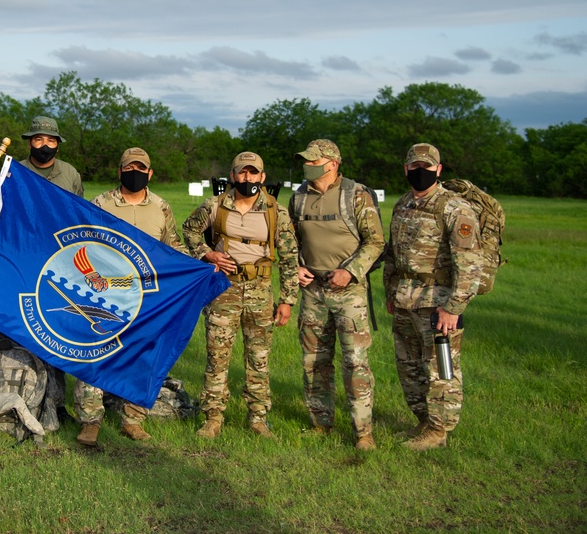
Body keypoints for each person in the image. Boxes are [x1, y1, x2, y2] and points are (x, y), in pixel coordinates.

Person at [74, 147, 187, 446]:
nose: (134, 173)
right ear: (120, 171)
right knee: (95, 354)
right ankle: (90, 421)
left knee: (143, 356)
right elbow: (83, 240)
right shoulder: (100, 203)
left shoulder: (161, 207)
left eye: (140, 168)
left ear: (150, 173)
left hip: (147, 296)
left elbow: (173, 248)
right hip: (105, 291)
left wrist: (197, 271)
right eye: (128, 168)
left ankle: (133, 419)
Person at [182, 152, 298, 439]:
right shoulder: (215, 205)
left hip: (260, 291)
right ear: (232, 176)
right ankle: (212, 417)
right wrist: (207, 253)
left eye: (253, 173)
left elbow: (290, 256)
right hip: (224, 289)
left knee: (258, 357)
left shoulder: (275, 210)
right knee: (217, 356)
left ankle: (258, 418)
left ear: (262, 176)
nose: (248, 178)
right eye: (242, 173)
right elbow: (189, 230)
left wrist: (287, 300)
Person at [384, 143, 482, 451]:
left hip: (437, 302)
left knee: (440, 369)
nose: (420, 173)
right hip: (404, 299)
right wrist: (390, 292)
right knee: (409, 365)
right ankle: (423, 422)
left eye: (427, 169)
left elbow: (469, 264)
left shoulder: (454, 208)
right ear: (406, 169)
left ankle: (438, 430)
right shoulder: (402, 204)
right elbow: (392, 254)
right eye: (415, 168)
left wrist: (453, 307)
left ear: (438, 170)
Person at [289, 139, 385, 450]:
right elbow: (290, 240)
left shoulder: (356, 195)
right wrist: (297, 266)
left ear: (332, 164)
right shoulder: (299, 197)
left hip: (349, 292)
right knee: (314, 361)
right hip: (313, 291)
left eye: (314, 160)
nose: (307, 165)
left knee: (355, 362)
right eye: (306, 160)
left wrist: (350, 271)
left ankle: (362, 433)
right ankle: (320, 423)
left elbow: (375, 243)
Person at [3, 116, 83, 419]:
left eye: (50, 140)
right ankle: (14, 395)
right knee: (16, 328)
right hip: (22, 260)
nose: (44, 145)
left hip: (59, 265)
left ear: (58, 144)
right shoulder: (16, 171)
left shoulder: (71, 175)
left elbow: (79, 218)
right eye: (39, 139)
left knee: (55, 330)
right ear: (29, 141)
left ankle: (56, 403)